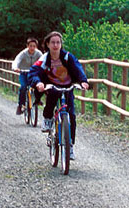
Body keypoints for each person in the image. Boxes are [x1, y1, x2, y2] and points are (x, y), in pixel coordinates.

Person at [28, 31, 89, 160]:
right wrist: (38, 82)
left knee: (71, 115)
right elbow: (34, 71)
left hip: (67, 87)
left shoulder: (67, 57)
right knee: (51, 98)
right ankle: (47, 119)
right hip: (52, 85)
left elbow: (78, 68)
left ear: (61, 44)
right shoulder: (44, 59)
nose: (56, 45)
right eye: (53, 42)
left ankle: (70, 146)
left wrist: (83, 81)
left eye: (58, 42)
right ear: (48, 44)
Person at [12, 37, 43, 115]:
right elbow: (16, 60)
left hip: (34, 73)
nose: (32, 48)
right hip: (24, 73)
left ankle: (37, 99)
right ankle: (20, 105)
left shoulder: (38, 53)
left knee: (38, 85)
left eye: (34, 46)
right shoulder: (23, 53)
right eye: (30, 46)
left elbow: (43, 61)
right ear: (27, 46)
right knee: (23, 87)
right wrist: (15, 67)